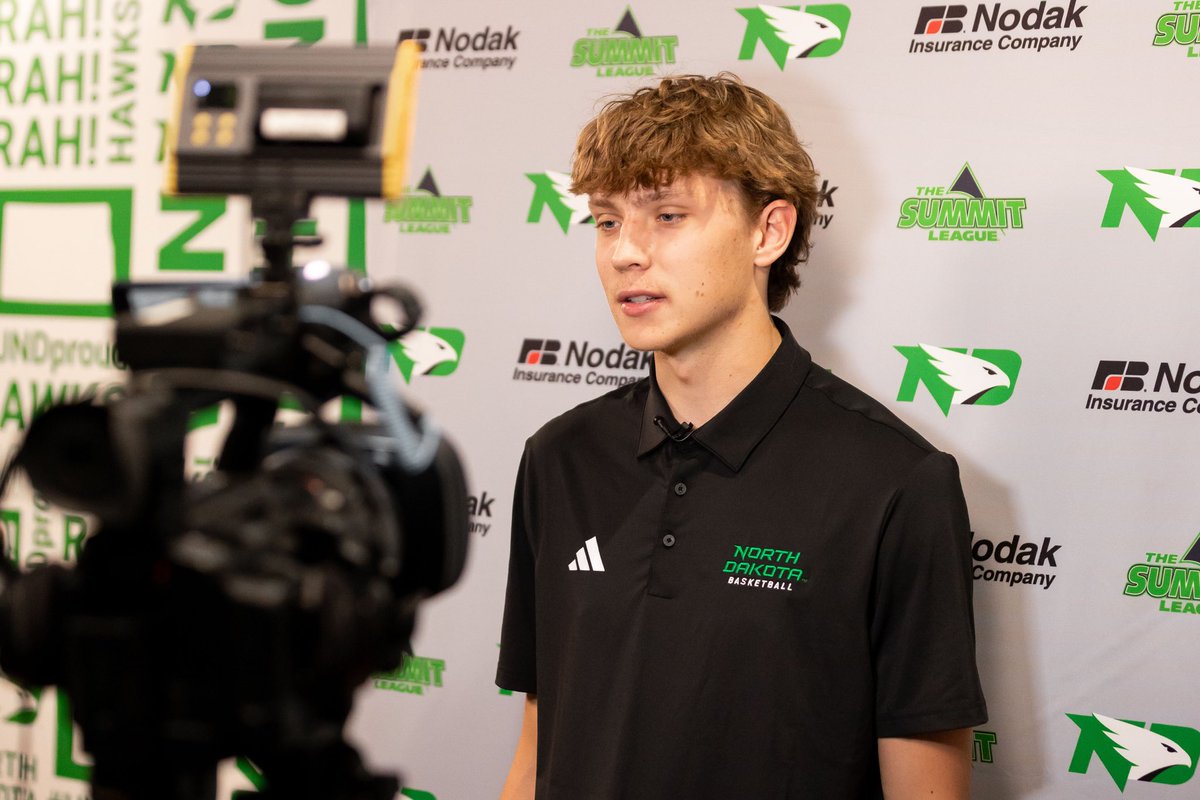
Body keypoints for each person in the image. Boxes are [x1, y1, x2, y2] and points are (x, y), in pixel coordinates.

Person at [496, 73, 986, 799]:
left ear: (769, 231)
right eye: (605, 221)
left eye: (666, 215)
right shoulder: (558, 458)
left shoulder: (895, 482)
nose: (626, 252)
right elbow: (542, 741)